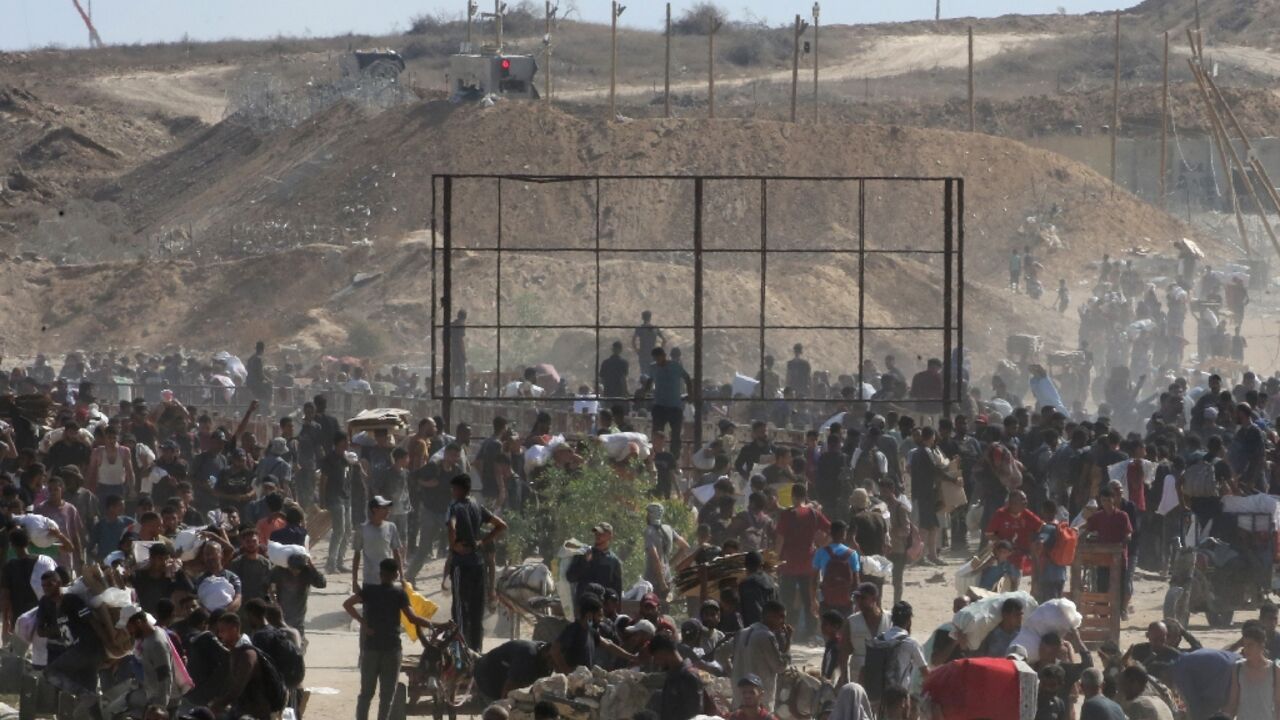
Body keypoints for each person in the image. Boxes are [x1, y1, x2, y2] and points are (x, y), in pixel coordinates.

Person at [343, 558, 438, 720]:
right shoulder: (398, 593)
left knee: (366, 694)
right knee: (386, 696)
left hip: (371, 648)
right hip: (392, 649)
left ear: (380, 574)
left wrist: (363, 623)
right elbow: (413, 618)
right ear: (395, 575)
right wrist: (435, 625)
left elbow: (347, 604)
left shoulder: (370, 591)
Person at [446, 473, 506, 651]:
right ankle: (476, 650)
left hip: (461, 565)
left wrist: (453, 545)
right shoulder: (477, 506)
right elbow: (501, 525)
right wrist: (482, 542)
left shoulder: (454, 507)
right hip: (478, 565)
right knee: (476, 610)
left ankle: (461, 649)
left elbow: (451, 525)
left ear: (458, 490)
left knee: (459, 609)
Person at [776, 482, 831, 640]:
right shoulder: (814, 513)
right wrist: (822, 545)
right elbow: (832, 529)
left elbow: (780, 540)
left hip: (788, 564)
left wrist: (775, 560)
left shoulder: (787, 515)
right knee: (810, 600)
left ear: (792, 496)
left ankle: (788, 631)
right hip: (809, 563)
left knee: (787, 599)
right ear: (805, 495)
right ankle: (810, 633)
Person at [120, 604, 189, 715]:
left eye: (129, 627)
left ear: (138, 622)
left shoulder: (155, 643)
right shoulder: (153, 635)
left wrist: (159, 707)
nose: (128, 632)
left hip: (165, 703)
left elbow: (165, 676)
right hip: (158, 699)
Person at [731, 600, 792, 711]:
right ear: (769, 616)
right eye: (781, 617)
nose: (783, 622)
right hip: (758, 702)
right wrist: (788, 642)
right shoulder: (766, 635)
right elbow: (780, 667)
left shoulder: (742, 632)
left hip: (739, 698)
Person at [984, 490, 1042, 588]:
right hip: (1002, 556)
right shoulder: (1000, 514)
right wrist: (1004, 544)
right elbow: (989, 534)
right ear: (1012, 503)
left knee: (1014, 582)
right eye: (1022, 500)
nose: (1026, 502)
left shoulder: (1027, 514)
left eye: (1025, 500)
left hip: (1018, 556)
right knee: (995, 584)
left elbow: (1042, 527)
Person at [840, 582, 891, 687]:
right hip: (858, 671)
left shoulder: (890, 619)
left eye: (863, 598)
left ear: (874, 599)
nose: (859, 602)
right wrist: (844, 676)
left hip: (883, 671)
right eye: (857, 598)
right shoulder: (852, 621)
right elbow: (844, 651)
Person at [566, 522, 623, 614]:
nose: (597, 536)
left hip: (602, 610)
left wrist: (617, 612)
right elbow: (570, 577)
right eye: (596, 533)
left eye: (601, 533)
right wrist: (585, 562)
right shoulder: (583, 554)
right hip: (584, 608)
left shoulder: (613, 561)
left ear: (610, 536)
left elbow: (617, 590)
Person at [1226, 624, 1280, 720]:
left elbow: (1278, 703)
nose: (1246, 649)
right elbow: (1233, 703)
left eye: (1250, 645)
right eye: (1245, 645)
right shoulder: (1238, 668)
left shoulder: (1274, 670)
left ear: (1261, 645)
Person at [353, 496, 404, 591]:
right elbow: (356, 556)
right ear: (374, 509)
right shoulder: (362, 529)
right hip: (369, 580)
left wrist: (402, 576)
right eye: (384, 508)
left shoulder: (391, 527)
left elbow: (396, 553)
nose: (388, 511)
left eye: (388, 508)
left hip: (387, 580)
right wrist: (354, 581)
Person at [473, 640, 552, 701]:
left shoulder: (549, 655)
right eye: (551, 659)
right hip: (487, 677)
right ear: (545, 652)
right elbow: (509, 688)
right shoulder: (527, 655)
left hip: (504, 674)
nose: (554, 665)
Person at [648, 347, 692, 456]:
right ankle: (657, 456)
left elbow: (687, 378)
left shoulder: (675, 366)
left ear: (664, 355)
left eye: (659, 357)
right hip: (659, 406)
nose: (657, 360)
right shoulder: (653, 367)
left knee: (676, 436)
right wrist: (644, 391)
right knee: (657, 433)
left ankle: (674, 458)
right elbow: (650, 380)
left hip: (674, 406)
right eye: (655, 358)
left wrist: (691, 394)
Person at [321, 431, 355, 575]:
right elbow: (323, 480)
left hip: (346, 498)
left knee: (347, 531)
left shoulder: (345, 459)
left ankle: (340, 562)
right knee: (339, 531)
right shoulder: (329, 459)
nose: (347, 444)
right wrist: (322, 499)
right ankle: (331, 563)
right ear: (338, 442)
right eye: (345, 441)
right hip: (334, 498)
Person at [812, 520, 861, 618]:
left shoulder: (821, 552)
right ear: (844, 534)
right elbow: (856, 581)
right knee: (845, 629)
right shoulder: (852, 553)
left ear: (830, 533)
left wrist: (813, 600)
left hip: (826, 599)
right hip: (846, 600)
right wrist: (857, 602)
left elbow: (814, 579)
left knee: (827, 628)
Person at [650, 633, 704, 719]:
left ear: (663, 652)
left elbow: (695, 715)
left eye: (656, 657)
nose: (656, 663)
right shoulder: (672, 676)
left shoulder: (688, 677)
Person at [643, 501, 688, 599]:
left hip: (654, 581)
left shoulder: (649, 531)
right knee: (665, 610)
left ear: (650, 514)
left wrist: (661, 582)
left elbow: (655, 558)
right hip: (667, 578)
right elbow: (685, 547)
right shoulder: (668, 529)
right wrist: (669, 564)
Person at [738, 550, 778, 628]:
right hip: (773, 626)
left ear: (746, 566)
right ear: (761, 565)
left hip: (756, 629)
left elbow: (752, 609)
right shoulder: (771, 581)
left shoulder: (747, 583)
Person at [632, 310, 666, 377]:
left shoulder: (640, 328)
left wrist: (637, 351)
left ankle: (645, 387)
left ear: (642, 318)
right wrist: (659, 352)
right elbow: (664, 340)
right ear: (650, 317)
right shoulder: (655, 328)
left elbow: (633, 341)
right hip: (653, 354)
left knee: (644, 374)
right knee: (653, 373)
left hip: (643, 354)